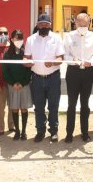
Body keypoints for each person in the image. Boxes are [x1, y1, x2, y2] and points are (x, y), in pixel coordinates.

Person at [24, 14, 65, 143]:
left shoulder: (56, 38)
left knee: (53, 106)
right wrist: (26, 62)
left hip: (53, 78)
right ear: (37, 25)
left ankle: (53, 131)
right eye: (41, 24)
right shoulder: (30, 39)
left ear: (50, 25)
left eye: (46, 24)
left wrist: (53, 62)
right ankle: (40, 131)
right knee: (39, 107)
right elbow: (26, 57)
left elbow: (60, 58)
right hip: (36, 78)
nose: (43, 26)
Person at [64, 13, 93, 143]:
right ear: (75, 23)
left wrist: (91, 61)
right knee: (71, 104)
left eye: (85, 24)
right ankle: (69, 133)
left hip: (88, 73)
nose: (82, 26)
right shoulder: (68, 36)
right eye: (80, 24)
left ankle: (85, 132)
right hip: (73, 72)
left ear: (89, 23)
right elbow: (65, 55)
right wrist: (73, 60)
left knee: (85, 104)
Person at [2, 30, 32, 140]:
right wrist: (12, 83)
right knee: (14, 108)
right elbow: (5, 70)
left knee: (24, 108)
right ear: (11, 39)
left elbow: (29, 69)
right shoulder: (7, 54)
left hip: (24, 85)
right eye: (15, 38)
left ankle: (23, 131)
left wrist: (23, 82)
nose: (18, 41)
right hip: (12, 85)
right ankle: (17, 131)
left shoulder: (26, 53)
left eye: (20, 38)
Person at [0, 26, 15, 135]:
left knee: (12, 105)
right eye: (0, 33)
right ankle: (1, 127)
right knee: (0, 106)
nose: (3, 35)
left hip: (11, 83)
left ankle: (11, 125)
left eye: (5, 33)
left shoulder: (13, 47)